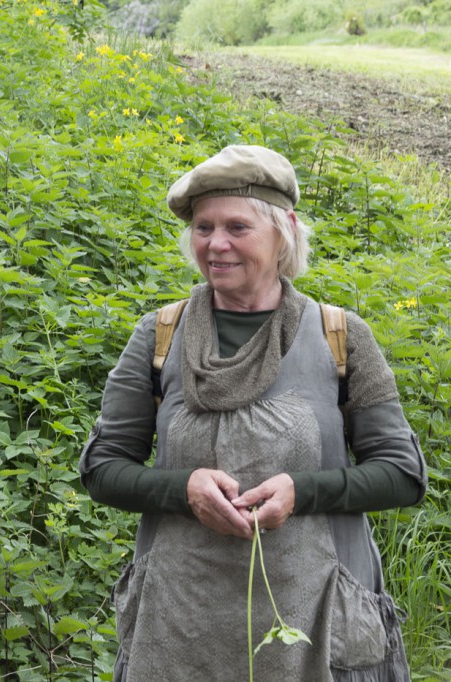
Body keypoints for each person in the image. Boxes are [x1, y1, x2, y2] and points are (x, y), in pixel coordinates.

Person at [78, 145, 426, 681]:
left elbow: (403, 475)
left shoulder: (341, 337)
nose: (216, 244)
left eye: (237, 227)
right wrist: (184, 490)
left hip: (312, 619)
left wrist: (301, 492)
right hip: (179, 625)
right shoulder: (159, 336)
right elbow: (102, 468)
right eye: (203, 227)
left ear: (283, 228)